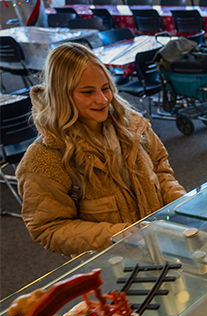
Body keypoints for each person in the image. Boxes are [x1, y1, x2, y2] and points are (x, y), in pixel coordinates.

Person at [16, 43, 186, 256]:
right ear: (61, 96)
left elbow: (161, 168)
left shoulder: (133, 124)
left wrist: (181, 202)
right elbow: (49, 228)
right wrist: (120, 235)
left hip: (162, 244)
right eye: (88, 92)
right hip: (112, 263)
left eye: (106, 88)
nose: (103, 100)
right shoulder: (43, 159)